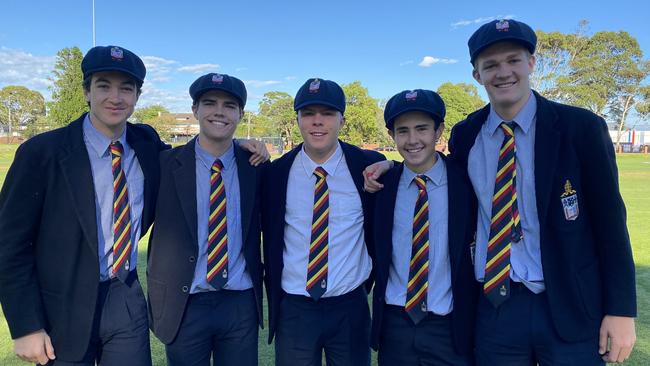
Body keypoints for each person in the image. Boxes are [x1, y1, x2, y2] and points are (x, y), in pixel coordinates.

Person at [364, 19, 637, 365]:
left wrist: (621, 310)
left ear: (531, 63)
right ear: (477, 75)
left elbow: (611, 224)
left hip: (569, 303)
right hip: (496, 305)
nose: (503, 72)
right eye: (490, 65)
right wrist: (391, 166)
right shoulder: (467, 135)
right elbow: (430, 167)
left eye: (513, 60)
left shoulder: (580, 128)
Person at [0, 45, 168, 366]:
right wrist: (25, 325)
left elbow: (186, 160)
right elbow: (9, 245)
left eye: (126, 88)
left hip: (125, 295)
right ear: (86, 92)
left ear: (137, 96)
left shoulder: (147, 144)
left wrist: (237, 146)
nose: (115, 97)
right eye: (104, 85)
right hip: (62, 307)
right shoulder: (41, 153)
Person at [262, 78, 385, 366]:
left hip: (349, 306)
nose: (318, 122)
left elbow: (416, 166)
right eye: (308, 114)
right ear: (298, 120)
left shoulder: (367, 166)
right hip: (295, 306)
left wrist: (391, 164)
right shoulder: (276, 173)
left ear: (342, 119)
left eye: (327, 113)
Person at [147, 73, 268, 366]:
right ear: (195, 110)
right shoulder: (165, 163)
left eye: (229, 105)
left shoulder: (257, 167)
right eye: (209, 103)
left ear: (240, 114)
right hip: (185, 301)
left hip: (239, 300)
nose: (219, 111)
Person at [370, 89, 477, 365]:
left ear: (439, 130)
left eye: (422, 129)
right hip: (396, 325)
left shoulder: (466, 182)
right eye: (402, 131)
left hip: (449, 326)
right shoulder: (383, 185)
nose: (413, 139)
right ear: (391, 135)